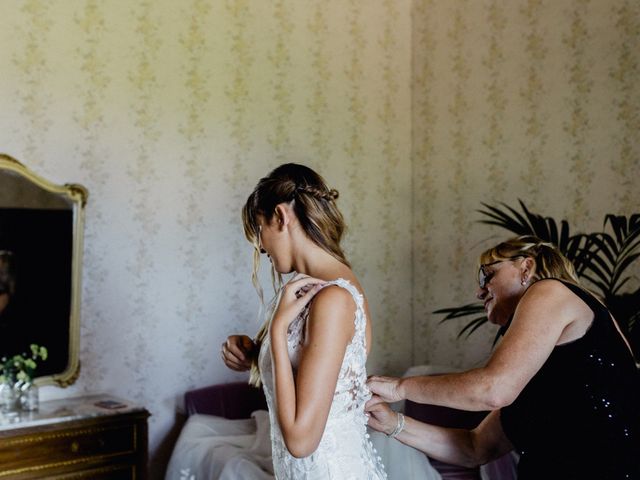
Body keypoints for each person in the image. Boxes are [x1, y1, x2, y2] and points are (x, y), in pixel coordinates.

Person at [366, 235, 640, 480]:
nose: (479, 291)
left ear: (526, 267)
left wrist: (399, 387)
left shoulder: (550, 290)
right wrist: (393, 424)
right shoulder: (535, 366)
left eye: (487, 275)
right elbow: (475, 448)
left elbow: (491, 389)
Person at [222, 163, 387, 479]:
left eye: (259, 230)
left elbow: (301, 441)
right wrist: (254, 352)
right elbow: (306, 370)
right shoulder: (309, 291)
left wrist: (278, 329)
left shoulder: (333, 300)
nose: (259, 246)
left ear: (281, 217)